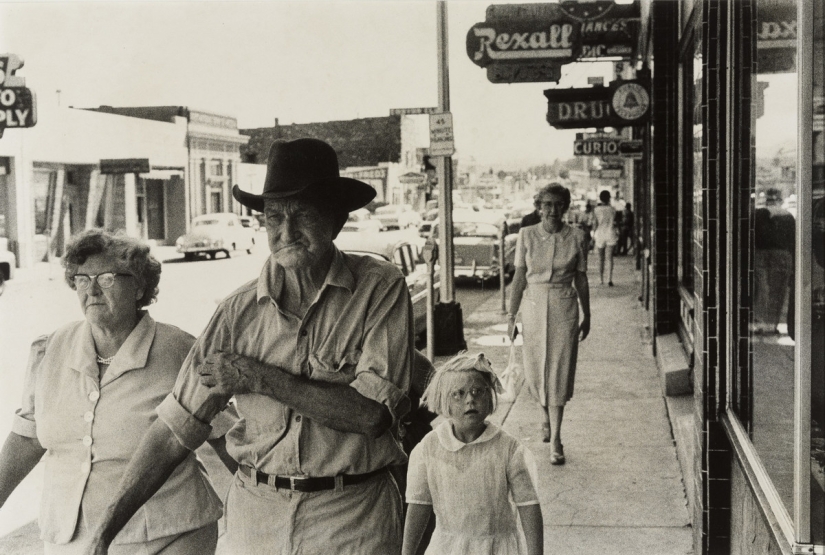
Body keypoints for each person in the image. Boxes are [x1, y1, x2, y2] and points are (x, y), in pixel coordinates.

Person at [89, 138, 414, 555]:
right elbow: (174, 429)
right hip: (256, 517)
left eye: (302, 216)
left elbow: (371, 416)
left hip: (351, 517)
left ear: (334, 220)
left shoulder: (379, 288)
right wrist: (104, 530)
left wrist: (256, 377)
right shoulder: (236, 312)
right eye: (274, 218)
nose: (286, 232)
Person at [0, 229, 226, 554]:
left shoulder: (182, 352)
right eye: (81, 279)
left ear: (139, 286)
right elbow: (27, 438)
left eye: (106, 278)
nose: (91, 289)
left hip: (169, 535)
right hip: (69, 537)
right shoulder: (49, 350)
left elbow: (226, 437)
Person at [402, 353, 543, 555]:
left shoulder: (508, 449)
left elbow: (528, 505)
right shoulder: (429, 449)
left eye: (478, 391)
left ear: (490, 397)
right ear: (444, 402)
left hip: (497, 548)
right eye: (458, 394)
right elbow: (418, 506)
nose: (470, 400)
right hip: (448, 548)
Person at [506, 183, 591, 465]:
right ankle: (544, 416)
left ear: (565, 207)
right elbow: (519, 277)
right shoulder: (526, 235)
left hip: (565, 305)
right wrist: (511, 315)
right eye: (548, 205)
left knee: (559, 370)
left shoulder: (577, 237)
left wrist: (587, 313)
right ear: (539, 207)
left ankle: (556, 438)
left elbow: (581, 278)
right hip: (532, 306)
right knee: (535, 370)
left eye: (558, 204)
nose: (553, 210)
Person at [593, 190, 619, 286]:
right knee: (610, 258)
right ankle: (609, 279)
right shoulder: (612, 209)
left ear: (600, 198)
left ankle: (601, 279)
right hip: (610, 233)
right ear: (609, 198)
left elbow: (595, 224)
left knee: (601, 258)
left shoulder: (596, 210)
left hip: (600, 234)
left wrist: (592, 237)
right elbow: (615, 222)